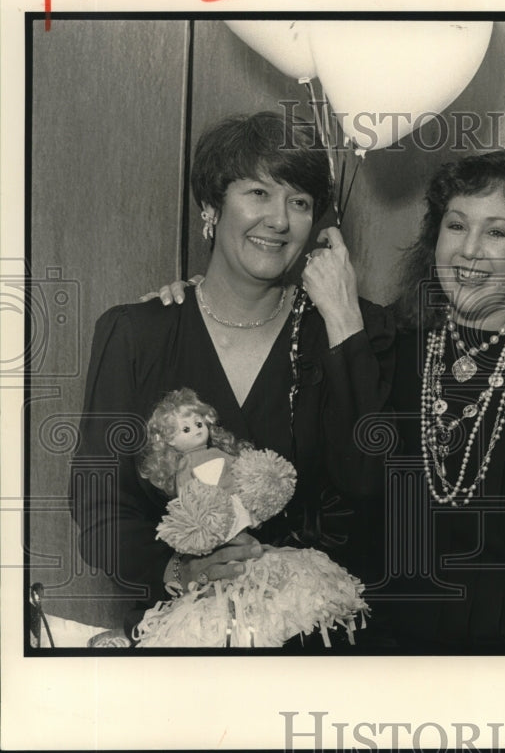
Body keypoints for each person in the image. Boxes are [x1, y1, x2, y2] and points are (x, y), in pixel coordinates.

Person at [69, 111, 392, 643]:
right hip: (181, 635)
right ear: (211, 207)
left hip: (314, 638)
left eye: (299, 201)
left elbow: (366, 482)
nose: (280, 220)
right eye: (258, 193)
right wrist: (174, 571)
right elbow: (99, 501)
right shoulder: (136, 334)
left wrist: (342, 317)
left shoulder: (346, 332)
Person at [341, 149, 505, 651]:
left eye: (496, 232)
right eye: (456, 226)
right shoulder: (389, 343)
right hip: (388, 640)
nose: (470, 250)